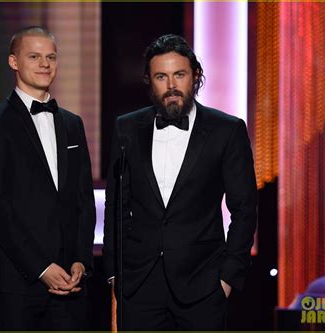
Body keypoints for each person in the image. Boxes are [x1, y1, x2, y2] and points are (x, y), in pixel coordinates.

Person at [102, 34, 257, 330]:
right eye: (161, 76)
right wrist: (114, 274)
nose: (171, 86)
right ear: (149, 80)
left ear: (195, 76)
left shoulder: (227, 130)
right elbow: (116, 206)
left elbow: (245, 209)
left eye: (180, 75)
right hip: (139, 287)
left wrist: (227, 278)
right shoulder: (127, 128)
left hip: (203, 285)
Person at [0, 26, 96, 330]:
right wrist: (41, 268)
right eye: (34, 56)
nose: (45, 64)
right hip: (17, 283)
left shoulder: (72, 124)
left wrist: (81, 260)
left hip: (71, 282)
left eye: (51, 57)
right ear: (14, 62)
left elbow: (83, 199)